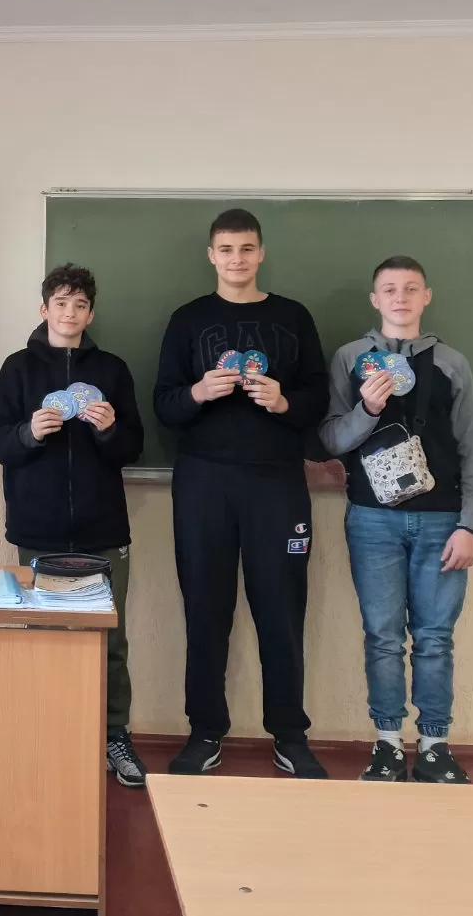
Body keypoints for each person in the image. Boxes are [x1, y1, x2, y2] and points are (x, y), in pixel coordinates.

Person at [153, 209, 331, 779]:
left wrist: (283, 402)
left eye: (247, 248)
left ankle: (290, 735)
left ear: (261, 253)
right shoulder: (187, 319)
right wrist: (199, 392)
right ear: (212, 255)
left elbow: (319, 398)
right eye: (227, 249)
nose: (237, 259)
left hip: (277, 482)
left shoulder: (293, 316)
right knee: (205, 608)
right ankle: (204, 732)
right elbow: (163, 404)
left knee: (282, 609)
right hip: (203, 482)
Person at [318, 255, 473, 784]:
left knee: (435, 638)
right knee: (382, 636)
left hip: (442, 521)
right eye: (390, 289)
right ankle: (388, 744)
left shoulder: (452, 363)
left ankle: (435, 746)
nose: (400, 297)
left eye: (411, 288)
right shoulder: (351, 358)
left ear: (426, 297)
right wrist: (367, 410)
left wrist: (471, 525)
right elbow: (330, 439)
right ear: (375, 299)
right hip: (373, 520)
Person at [0, 263, 148, 787]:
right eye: (61, 303)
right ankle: (46, 734)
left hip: (103, 530)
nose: (70, 313)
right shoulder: (18, 368)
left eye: (79, 305)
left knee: (110, 641)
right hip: (38, 530)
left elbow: (133, 448)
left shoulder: (113, 370)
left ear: (90, 314)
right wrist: (28, 433)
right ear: (44, 309)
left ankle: (113, 735)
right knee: (43, 636)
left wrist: (110, 429)